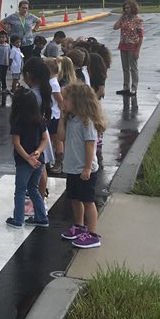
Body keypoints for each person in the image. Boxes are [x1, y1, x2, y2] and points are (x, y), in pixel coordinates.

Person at [57, 82, 106, 249]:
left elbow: (90, 145)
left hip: (85, 169)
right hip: (72, 167)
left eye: (66, 99)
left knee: (87, 200)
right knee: (74, 198)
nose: (63, 102)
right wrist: (62, 118)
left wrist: (86, 167)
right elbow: (61, 137)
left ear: (77, 101)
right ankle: (79, 226)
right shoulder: (71, 119)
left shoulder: (87, 122)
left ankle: (92, 234)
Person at [6, 89, 50, 228]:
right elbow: (44, 139)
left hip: (24, 162)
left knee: (20, 190)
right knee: (33, 189)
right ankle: (41, 217)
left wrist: (27, 158)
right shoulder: (39, 119)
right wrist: (37, 152)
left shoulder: (18, 121)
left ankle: (18, 219)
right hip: (39, 161)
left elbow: (17, 143)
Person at [22, 57, 54, 200]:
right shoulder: (44, 90)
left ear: (28, 75)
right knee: (42, 167)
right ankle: (41, 195)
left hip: (33, 136)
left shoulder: (31, 95)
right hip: (42, 133)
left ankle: (39, 198)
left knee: (38, 168)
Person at [113, 0, 144, 96]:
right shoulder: (124, 19)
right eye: (125, 8)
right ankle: (126, 87)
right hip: (123, 46)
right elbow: (115, 27)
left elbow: (141, 36)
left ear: (133, 8)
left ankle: (134, 88)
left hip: (133, 46)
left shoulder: (137, 20)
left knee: (133, 68)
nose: (126, 9)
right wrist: (121, 16)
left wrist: (138, 50)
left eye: (128, 8)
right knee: (125, 68)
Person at [44, 57, 64, 173]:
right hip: (49, 114)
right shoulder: (49, 81)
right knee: (49, 138)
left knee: (56, 139)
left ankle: (59, 162)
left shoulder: (54, 84)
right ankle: (48, 160)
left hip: (55, 115)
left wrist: (63, 113)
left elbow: (60, 100)